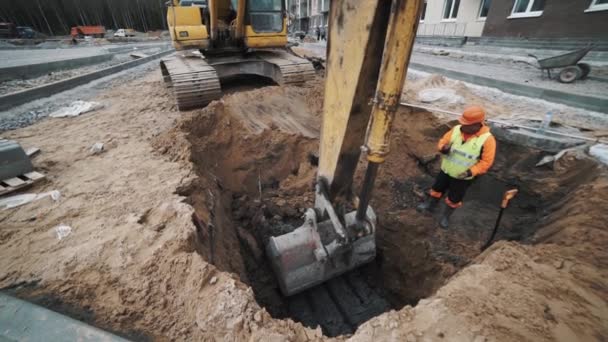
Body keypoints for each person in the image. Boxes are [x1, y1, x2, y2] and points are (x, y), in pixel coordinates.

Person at [416, 105, 496, 229]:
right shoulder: (456, 129)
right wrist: (443, 148)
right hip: (446, 170)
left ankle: (446, 217)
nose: (463, 126)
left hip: (463, 177)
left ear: (478, 124)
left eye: (467, 125)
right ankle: (430, 206)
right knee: (436, 189)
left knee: (454, 198)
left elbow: (486, 162)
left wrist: (470, 172)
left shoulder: (487, 140)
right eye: (463, 123)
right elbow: (443, 141)